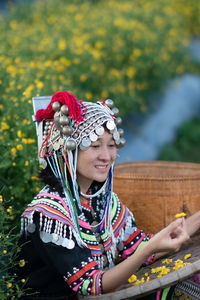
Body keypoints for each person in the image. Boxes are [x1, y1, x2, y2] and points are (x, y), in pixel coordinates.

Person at [17, 91, 200, 300]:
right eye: (95, 146)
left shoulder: (103, 201)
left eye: (111, 145)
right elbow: (92, 286)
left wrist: (156, 244)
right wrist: (148, 249)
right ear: (69, 151)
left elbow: (137, 248)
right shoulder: (50, 214)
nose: (106, 156)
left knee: (181, 285)